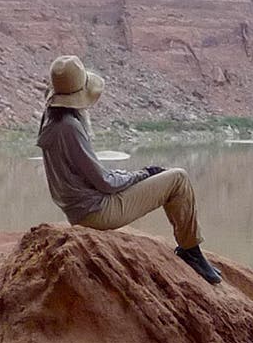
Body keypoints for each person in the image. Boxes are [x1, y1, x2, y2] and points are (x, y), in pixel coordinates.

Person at [35, 55, 222, 284]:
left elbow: (92, 176)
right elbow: (105, 182)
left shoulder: (51, 120)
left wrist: (134, 175)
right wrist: (143, 174)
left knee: (161, 176)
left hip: (79, 210)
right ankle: (190, 251)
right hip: (96, 212)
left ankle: (191, 250)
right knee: (178, 179)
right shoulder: (70, 127)